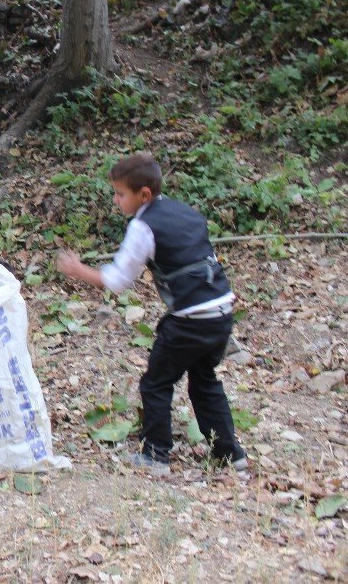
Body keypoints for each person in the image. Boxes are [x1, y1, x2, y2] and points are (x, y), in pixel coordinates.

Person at [56, 153, 247, 474]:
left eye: (120, 194)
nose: (116, 200)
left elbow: (118, 280)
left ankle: (156, 455)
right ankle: (230, 455)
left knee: (155, 384)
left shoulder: (143, 227)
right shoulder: (183, 211)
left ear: (143, 194)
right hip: (222, 311)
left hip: (190, 319)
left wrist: (78, 270)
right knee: (205, 381)